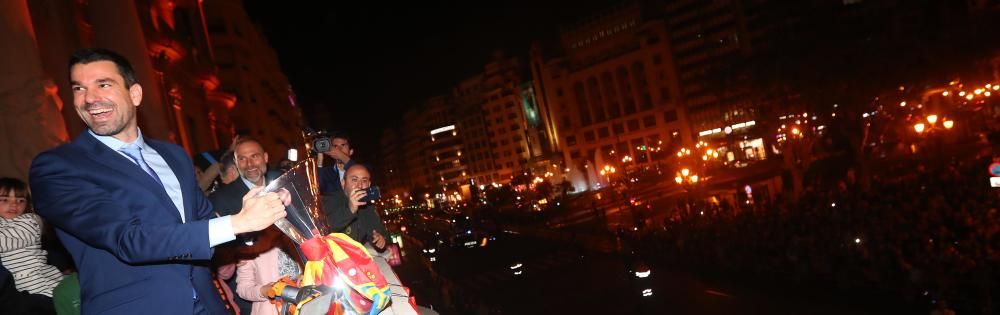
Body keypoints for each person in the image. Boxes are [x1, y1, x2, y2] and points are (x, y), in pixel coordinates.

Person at [28, 48, 287, 315]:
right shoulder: (58, 167)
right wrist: (238, 222)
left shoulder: (172, 155)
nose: (90, 98)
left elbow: (204, 224)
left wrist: (253, 219)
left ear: (135, 94)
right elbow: (129, 239)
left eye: (103, 84)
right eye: (79, 88)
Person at [208, 137, 283, 314]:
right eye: (242, 159)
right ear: (235, 162)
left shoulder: (283, 184)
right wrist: (234, 254)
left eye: (254, 156)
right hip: (252, 297)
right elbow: (212, 245)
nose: (249, 164)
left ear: (265, 157)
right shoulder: (220, 199)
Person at [0, 178, 63, 298]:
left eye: (20, 200)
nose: (14, 204)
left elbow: (5, 241)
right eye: (5, 199)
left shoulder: (30, 221)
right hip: (18, 286)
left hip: (39, 281)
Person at [233, 227, 302, 315]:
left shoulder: (293, 236)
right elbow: (243, 288)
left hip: (303, 304)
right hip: (271, 309)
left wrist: (304, 275)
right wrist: (262, 291)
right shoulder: (249, 248)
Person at [323, 164, 388, 251]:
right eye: (354, 180)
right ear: (343, 183)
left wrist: (380, 239)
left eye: (364, 181)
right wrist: (350, 209)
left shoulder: (368, 207)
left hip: (357, 257)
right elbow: (323, 230)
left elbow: (380, 233)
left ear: (369, 185)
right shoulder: (329, 200)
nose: (360, 185)